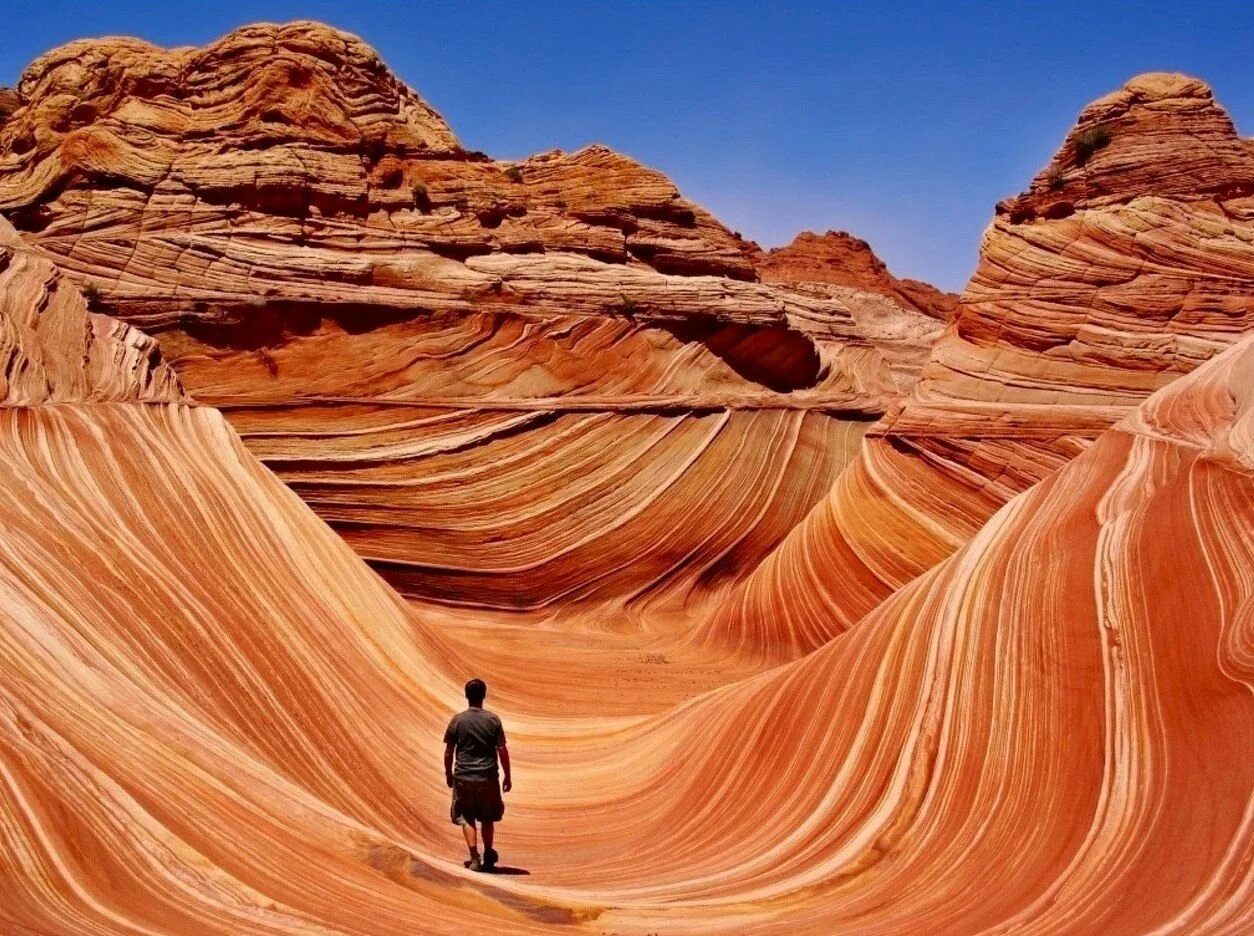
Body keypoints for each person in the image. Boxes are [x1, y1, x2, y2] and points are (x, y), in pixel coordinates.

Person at [443, 678, 511, 872]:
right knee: (487, 816)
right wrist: (507, 776)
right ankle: (488, 853)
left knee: (466, 817)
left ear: (466, 696)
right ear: (484, 696)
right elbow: (502, 750)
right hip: (487, 776)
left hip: (463, 776)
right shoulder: (493, 720)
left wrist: (449, 773)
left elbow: (449, 751)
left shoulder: (457, 720)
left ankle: (474, 858)